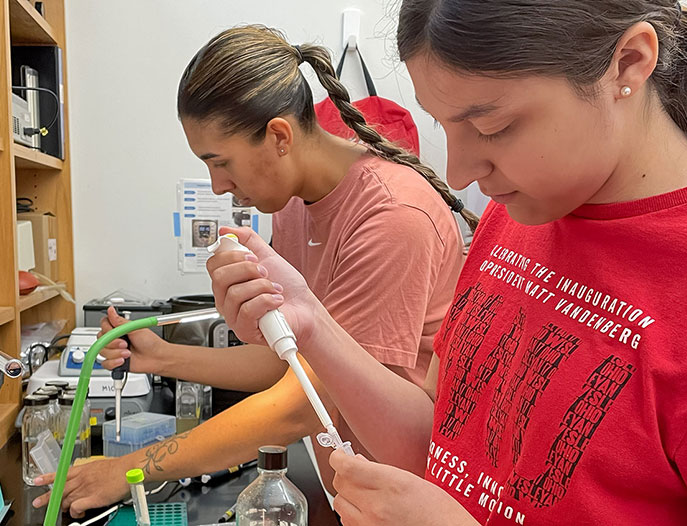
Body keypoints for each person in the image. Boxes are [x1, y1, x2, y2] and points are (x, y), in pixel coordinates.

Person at [206, 0, 687, 525]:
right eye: (444, 125)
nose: (460, 173)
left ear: (627, 63)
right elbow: (439, 442)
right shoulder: (518, 211)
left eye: (493, 127)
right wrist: (313, 325)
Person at [32, 25, 473, 517]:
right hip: (345, 488)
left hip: (401, 504)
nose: (218, 186)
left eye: (221, 163)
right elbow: (291, 359)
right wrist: (162, 358)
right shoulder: (292, 204)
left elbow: (300, 403)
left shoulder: (393, 218)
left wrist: (128, 469)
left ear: (279, 136)